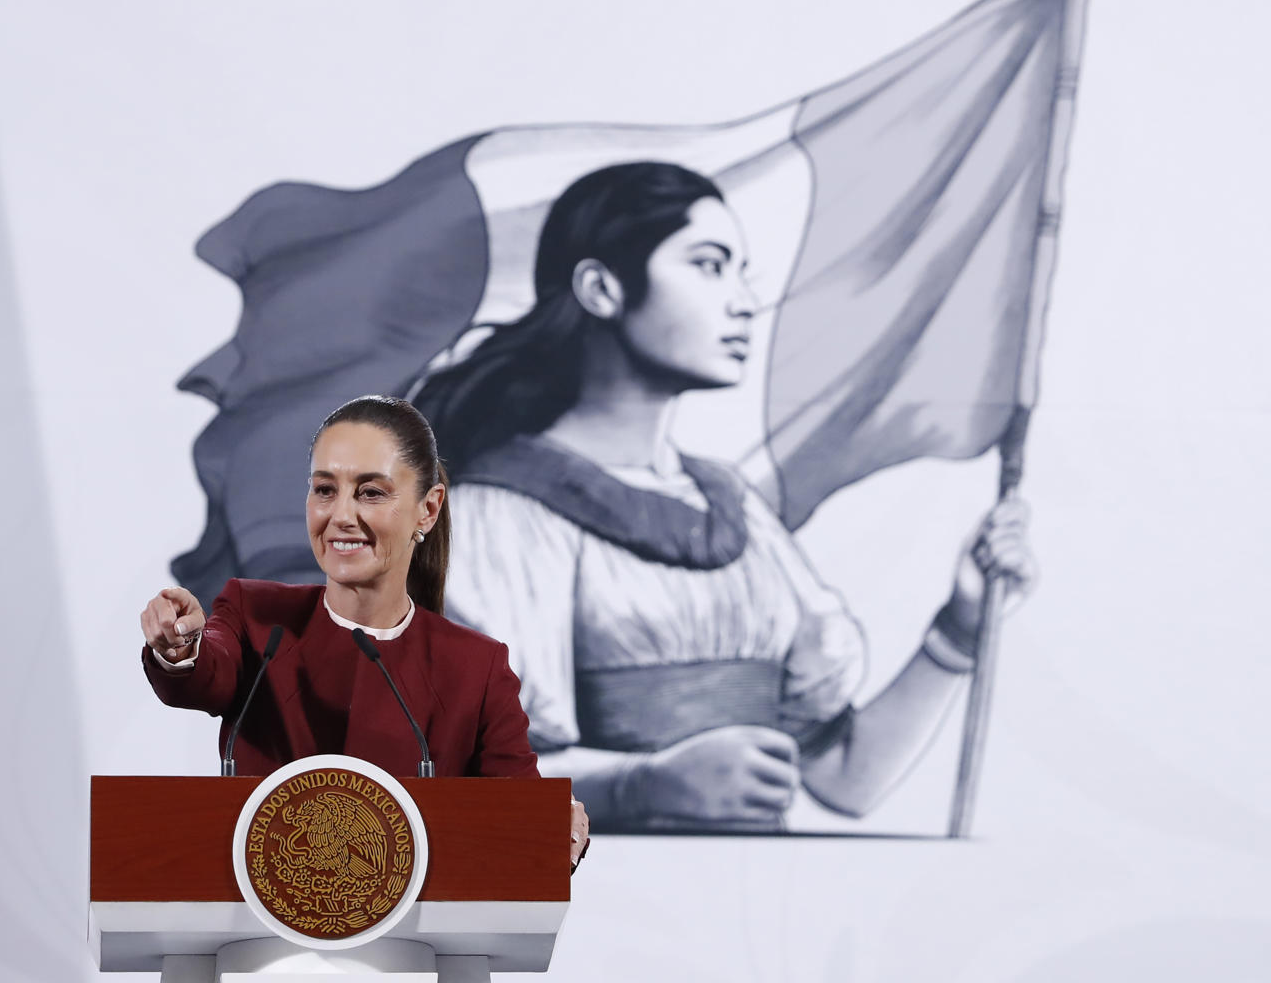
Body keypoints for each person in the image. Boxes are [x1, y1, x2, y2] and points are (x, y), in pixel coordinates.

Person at [414, 162, 1037, 832]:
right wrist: (640, 786)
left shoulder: (731, 508)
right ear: (601, 288)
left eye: (742, 272)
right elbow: (462, 794)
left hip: (747, 911)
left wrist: (960, 629)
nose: (743, 301)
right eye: (709, 266)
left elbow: (844, 779)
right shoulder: (498, 517)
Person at [141, 395, 591, 867]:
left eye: (371, 492)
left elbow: (522, 819)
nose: (341, 515)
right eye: (324, 490)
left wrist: (556, 829)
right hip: (266, 934)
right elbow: (205, 674)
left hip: (414, 940)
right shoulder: (257, 617)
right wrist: (182, 647)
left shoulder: (476, 668)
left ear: (428, 509)